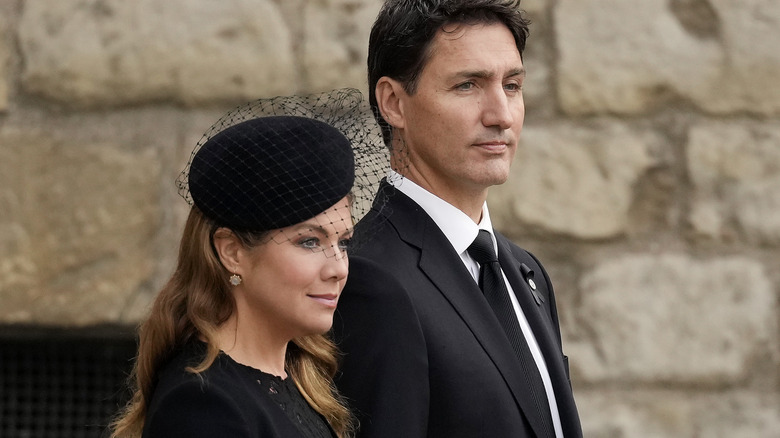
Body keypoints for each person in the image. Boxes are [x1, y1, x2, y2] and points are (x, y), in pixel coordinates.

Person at [332, 1, 583, 437]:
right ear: (393, 103)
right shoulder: (369, 279)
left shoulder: (526, 272)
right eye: (468, 85)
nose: (501, 115)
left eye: (512, 85)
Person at [110, 89, 384, 438]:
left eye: (342, 242)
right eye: (310, 242)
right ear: (232, 252)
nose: (339, 269)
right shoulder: (203, 406)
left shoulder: (298, 380)